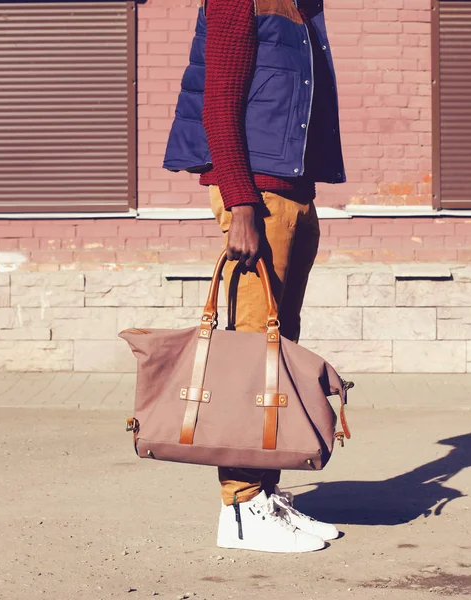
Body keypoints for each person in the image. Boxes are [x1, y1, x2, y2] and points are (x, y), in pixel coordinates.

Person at [163, 0, 345, 553]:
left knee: (276, 353)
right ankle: (240, 507)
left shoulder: (303, 8)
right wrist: (241, 204)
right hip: (257, 201)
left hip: (291, 196)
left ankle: (265, 496)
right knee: (248, 356)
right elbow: (219, 103)